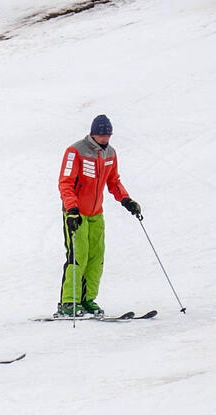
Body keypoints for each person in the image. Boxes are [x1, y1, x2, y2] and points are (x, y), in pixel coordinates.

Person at [56, 114, 142, 317]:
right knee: (79, 256)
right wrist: (72, 210)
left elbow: (114, 181)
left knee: (96, 257)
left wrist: (126, 200)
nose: (104, 139)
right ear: (93, 134)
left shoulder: (110, 154)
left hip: (96, 213)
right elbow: (65, 183)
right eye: (101, 135)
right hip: (76, 214)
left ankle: (87, 299)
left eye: (107, 135)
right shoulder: (75, 151)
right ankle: (69, 302)